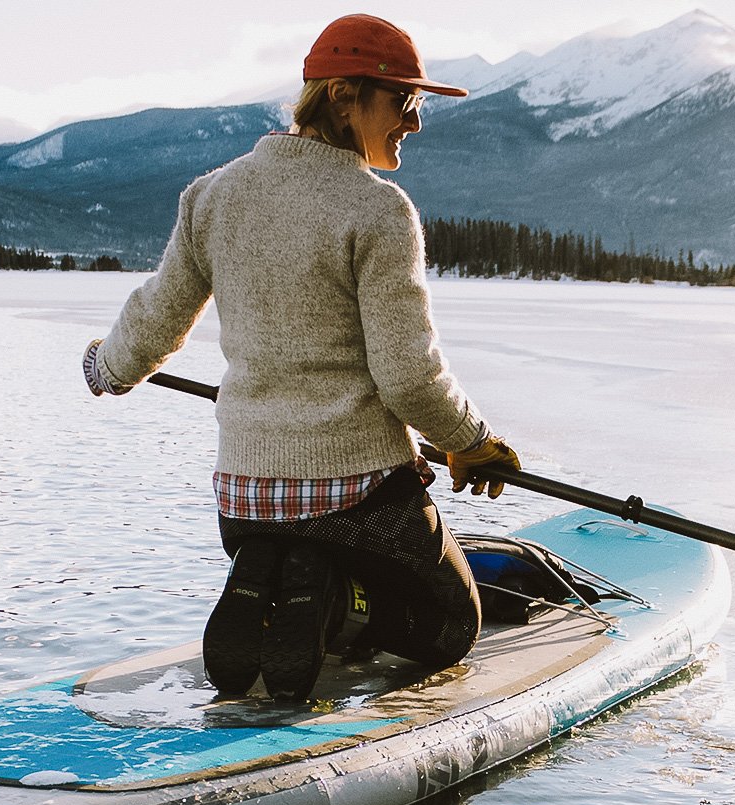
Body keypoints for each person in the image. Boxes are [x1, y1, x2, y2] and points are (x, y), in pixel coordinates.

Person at [83, 12, 520, 702]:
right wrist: (472, 440)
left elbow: (155, 319)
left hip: (244, 499)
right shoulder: (378, 210)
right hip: (360, 500)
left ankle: (280, 573)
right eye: (405, 100)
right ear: (345, 98)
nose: (417, 121)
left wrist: (106, 368)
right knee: (449, 624)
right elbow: (408, 377)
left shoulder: (211, 195)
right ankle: (337, 605)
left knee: (295, 543)